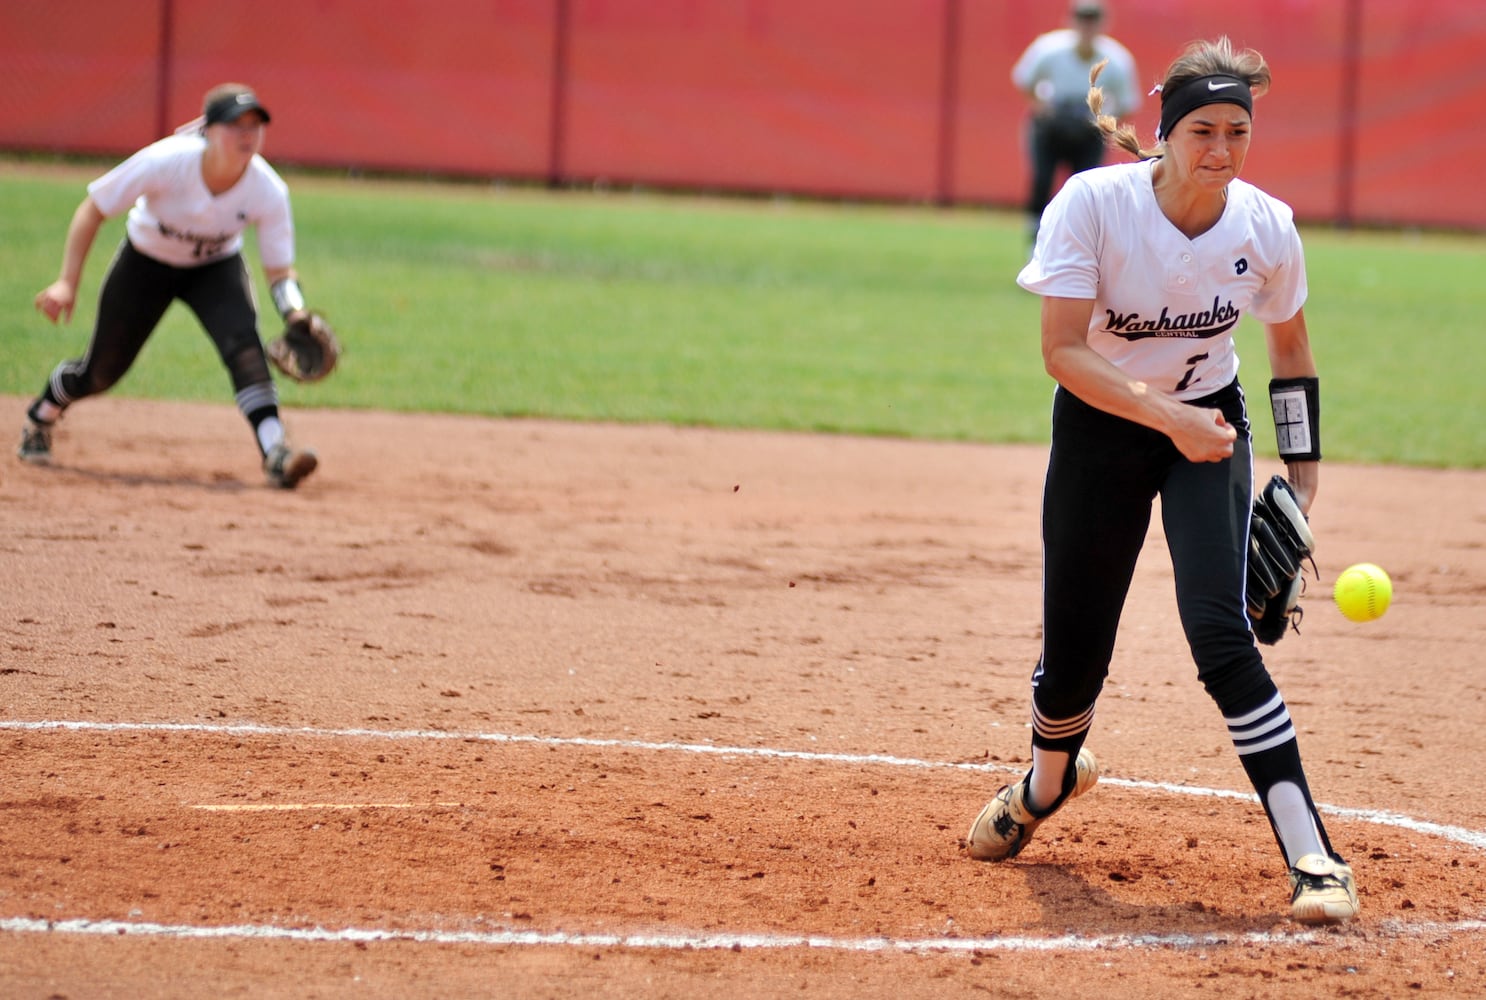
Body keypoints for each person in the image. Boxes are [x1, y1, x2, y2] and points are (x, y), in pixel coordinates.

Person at [965, 37, 1358, 925]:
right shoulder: (1093, 206)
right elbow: (1062, 351)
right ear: (1166, 132)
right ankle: (1044, 787)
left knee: (1223, 641)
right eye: (1202, 132)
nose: (1221, 151)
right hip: (1105, 428)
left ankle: (1314, 857)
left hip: (1209, 429)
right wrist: (1166, 417)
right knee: (1072, 661)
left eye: (1237, 131)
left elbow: (1289, 357)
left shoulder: (1265, 225)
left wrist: (1303, 485)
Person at [21, 82, 320, 489]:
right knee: (102, 372)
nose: (247, 135)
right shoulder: (167, 161)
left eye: (255, 126)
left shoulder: (267, 189)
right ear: (209, 130)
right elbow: (93, 209)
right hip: (146, 264)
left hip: (215, 268)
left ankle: (276, 452)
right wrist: (66, 283)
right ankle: (42, 415)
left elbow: (280, 272)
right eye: (236, 125)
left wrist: (295, 312)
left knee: (244, 349)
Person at [1011, 0, 1140, 241]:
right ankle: (1035, 240)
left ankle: (1078, 241)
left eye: (1092, 20)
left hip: (1087, 132)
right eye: (1082, 19)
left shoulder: (1117, 59)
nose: (1086, 27)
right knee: (1041, 180)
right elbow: (1024, 79)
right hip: (1050, 128)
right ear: (1071, 21)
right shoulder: (1049, 49)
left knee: (1085, 190)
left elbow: (1127, 103)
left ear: (1102, 24)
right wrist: (1043, 108)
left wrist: (1102, 122)